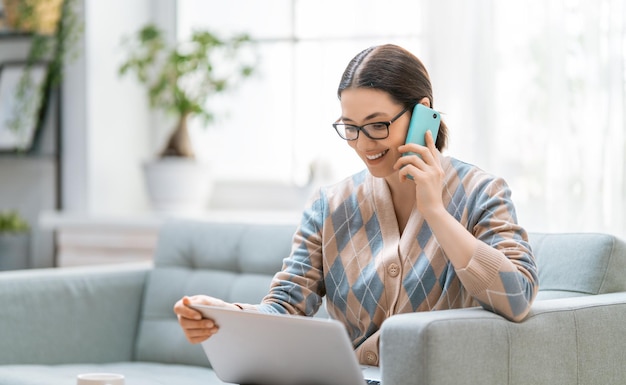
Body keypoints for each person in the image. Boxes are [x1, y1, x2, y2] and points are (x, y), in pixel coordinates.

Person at [174, 44, 539, 366]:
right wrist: (228, 315)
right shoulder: (329, 205)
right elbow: (286, 307)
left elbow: (517, 298)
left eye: (377, 125)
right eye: (350, 127)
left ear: (422, 113)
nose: (363, 144)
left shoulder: (482, 193)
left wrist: (436, 213)